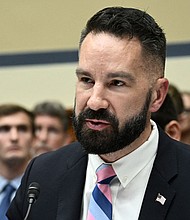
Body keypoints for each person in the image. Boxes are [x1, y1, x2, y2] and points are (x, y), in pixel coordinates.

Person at [7, 7, 190, 220]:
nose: (94, 102)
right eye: (86, 80)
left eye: (117, 83)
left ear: (157, 95)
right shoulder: (43, 176)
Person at [0, 104, 34, 220]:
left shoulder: (47, 187)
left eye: (22, 129)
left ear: (33, 137)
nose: (14, 137)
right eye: (4, 129)